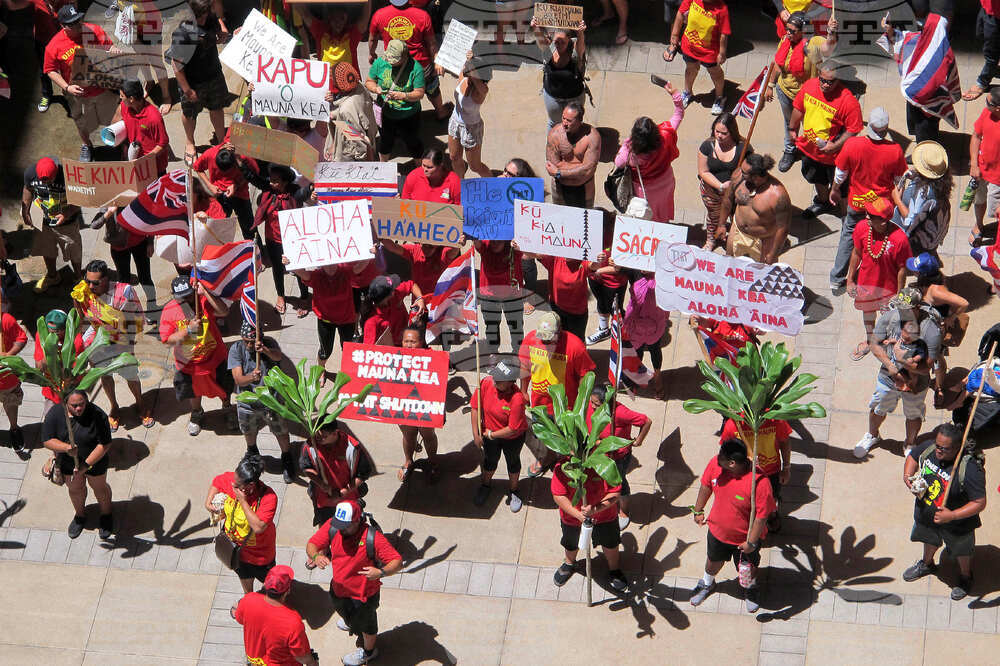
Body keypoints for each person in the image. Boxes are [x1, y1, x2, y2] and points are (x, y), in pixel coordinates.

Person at [306, 500, 403, 666]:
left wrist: (380, 572)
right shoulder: (333, 526)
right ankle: (350, 620)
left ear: (357, 520)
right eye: (339, 524)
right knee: (343, 611)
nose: (341, 529)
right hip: (338, 589)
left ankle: (369, 652)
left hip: (363, 596)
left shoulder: (373, 538)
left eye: (345, 526)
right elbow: (312, 544)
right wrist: (316, 556)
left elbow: (397, 561)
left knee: (368, 626)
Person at [688, 438, 775, 613]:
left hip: (745, 540)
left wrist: (751, 543)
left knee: (748, 569)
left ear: (733, 463)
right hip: (717, 533)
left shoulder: (760, 483)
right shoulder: (715, 464)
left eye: (722, 458)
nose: (717, 458)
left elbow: (761, 517)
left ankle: (750, 588)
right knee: (712, 561)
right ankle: (707, 583)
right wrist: (698, 510)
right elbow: (706, 486)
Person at [902, 423, 986, 601]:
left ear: (957, 448)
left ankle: (965, 576)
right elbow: (913, 456)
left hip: (958, 525)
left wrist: (952, 515)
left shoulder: (970, 469)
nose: (938, 451)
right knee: (928, 540)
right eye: (937, 445)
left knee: (961, 551)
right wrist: (908, 476)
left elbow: (979, 502)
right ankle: (927, 564)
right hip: (926, 515)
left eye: (944, 449)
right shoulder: (930, 448)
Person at [828, 107, 908, 292]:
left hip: (857, 202)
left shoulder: (852, 144)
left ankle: (837, 277)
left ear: (869, 127)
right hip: (881, 207)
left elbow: (840, 174)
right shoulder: (895, 150)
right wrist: (898, 201)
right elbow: (899, 181)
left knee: (849, 235)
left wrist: (834, 190)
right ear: (886, 130)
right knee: (879, 238)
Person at [855, 288, 941, 459]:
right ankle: (872, 435)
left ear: (917, 308)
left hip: (916, 383)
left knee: (914, 414)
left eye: (905, 309)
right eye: (899, 307)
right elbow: (874, 344)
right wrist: (891, 366)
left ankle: (910, 443)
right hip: (888, 377)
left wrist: (903, 362)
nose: (901, 312)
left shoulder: (930, 330)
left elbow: (926, 367)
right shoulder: (890, 317)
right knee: (878, 408)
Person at [72, 259, 151, 430]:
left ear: (106, 279)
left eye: (95, 283)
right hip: (98, 341)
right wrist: (77, 303)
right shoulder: (84, 291)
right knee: (105, 376)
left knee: (131, 375)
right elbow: (81, 317)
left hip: (121, 341)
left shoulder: (125, 292)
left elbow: (136, 320)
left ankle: (140, 403)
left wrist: (128, 344)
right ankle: (114, 407)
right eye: (88, 281)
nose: (91, 286)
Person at [518, 311, 595, 476]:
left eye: (549, 338)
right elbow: (525, 366)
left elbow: (585, 375)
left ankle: (568, 461)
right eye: (542, 338)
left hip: (565, 407)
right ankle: (548, 457)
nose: (545, 342)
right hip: (540, 404)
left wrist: (582, 404)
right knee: (545, 436)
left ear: (559, 331)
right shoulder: (531, 340)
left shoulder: (575, 346)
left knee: (568, 439)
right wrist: (523, 391)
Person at [160, 276, 236, 436]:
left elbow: (224, 311)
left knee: (225, 387)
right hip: (189, 365)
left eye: (189, 295)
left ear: (194, 290)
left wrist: (205, 292)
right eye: (181, 297)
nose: (186, 300)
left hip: (215, 358)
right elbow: (167, 340)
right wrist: (188, 330)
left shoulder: (203, 301)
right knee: (193, 392)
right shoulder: (169, 310)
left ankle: (227, 408)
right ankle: (197, 413)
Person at [788, 60, 863, 219]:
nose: (825, 85)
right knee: (817, 179)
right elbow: (799, 107)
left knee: (842, 189)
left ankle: (846, 216)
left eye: (830, 82)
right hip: (810, 149)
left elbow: (853, 129)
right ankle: (823, 202)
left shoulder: (848, 101)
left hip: (835, 157)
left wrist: (835, 146)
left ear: (838, 79)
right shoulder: (809, 86)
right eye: (822, 80)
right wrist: (792, 128)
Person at [42, 5, 118, 161]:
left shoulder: (94, 30)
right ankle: (87, 145)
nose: (78, 25)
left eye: (78, 20)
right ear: (63, 26)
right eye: (73, 24)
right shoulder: (54, 46)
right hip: (76, 93)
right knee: (80, 121)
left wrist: (113, 50)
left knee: (113, 116)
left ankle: (118, 142)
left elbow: (109, 46)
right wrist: (67, 87)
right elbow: (50, 70)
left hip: (101, 86)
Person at [765, 12, 838, 173]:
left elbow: (828, 49)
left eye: (792, 31)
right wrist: (770, 85)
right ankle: (790, 150)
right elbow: (777, 64)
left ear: (803, 31)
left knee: (811, 127)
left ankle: (810, 154)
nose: (788, 33)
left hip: (807, 98)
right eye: (787, 29)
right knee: (789, 124)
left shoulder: (813, 43)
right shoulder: (785, 40)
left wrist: (831, 32)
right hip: (785, 92)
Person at [42, 389, 114, 540]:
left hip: (94, 462)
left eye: (82, 404)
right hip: (68, 463)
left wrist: (85, 465)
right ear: (66, 403)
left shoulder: (97, 414)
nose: (79, 408)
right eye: (74, 406)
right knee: (75, 490)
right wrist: (66, 448)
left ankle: (106, 515)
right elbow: (47, 440)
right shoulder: (55, 414)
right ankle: (80, 516)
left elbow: (104, 444)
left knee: (100, 488)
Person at [846, 197, 912, 360]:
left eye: (871, 215)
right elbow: (856, 253)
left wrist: (899, 293)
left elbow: (902, 269)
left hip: (888, 290)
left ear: (883, 221)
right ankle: (870, 340)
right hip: (865, 285)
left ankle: (888, 344)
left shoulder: (900, 239)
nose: (866, 216)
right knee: (868, 315)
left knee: (889, 320)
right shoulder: (862, 227)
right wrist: (850, 280)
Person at [550, 458, 628, 592]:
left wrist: (596, 509)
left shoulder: (605, 464)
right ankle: (569, 563)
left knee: (611, 544)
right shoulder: (562, 467)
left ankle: (614, 569)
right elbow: (558, 496)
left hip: (605, 517)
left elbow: (615, 492)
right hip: (572, 518)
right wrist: (579, 515)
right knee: (571, 542)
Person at [229, 321, 294, 482]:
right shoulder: (236, 349)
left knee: (280, 430)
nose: (249, 345)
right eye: (246, 341)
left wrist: (264, 350)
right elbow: (238, 379)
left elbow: (278, 356)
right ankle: (252, 451)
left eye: (252, 341)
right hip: (247, 401)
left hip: (271, 400)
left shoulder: (269, 343)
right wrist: (251, 377)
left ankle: (286, 457)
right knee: (248, 430)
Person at [243, 163, 309, 316]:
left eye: (275, 181)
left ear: (285, 182)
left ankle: (305, 296)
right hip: (272, 238)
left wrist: (312, 190)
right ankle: (281, 296)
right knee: (277, 268)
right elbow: (253, 178)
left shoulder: (295, 192)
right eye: (270, 180)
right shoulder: (268, 191)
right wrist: (241, 164)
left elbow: (305, 192)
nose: (271, 183)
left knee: (298, 267)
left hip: (292, 239)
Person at [206, 454, 278, 593]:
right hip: (237, 552)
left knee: (272, 588)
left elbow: (258, 527)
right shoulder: (234, 481)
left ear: (250, 485)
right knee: (245, 581)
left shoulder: (268, 498)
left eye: (237, 485)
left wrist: (242, 500)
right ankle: (248, 598)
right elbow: (217, 481)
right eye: (234, 480)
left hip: (260, 556)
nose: (233, 484)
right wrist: (208, 502)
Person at [614, 82, 685, 223]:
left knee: (646, 213)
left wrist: (628, 142)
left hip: (643, 188)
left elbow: (618, 163)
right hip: (665, 181)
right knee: (662, 208)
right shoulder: (666, 135)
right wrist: (675, 95)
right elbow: (679, 114)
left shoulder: (629, 151)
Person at [167, 0, 229, 160]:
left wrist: (222, 32)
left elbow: (218, 24)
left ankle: (221, 141)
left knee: (217, 108)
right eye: (199, 17)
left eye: (205, 15)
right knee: (189, 114)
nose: (203, 20)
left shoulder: (210, 18)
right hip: (192, 81)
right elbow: (176, 65)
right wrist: (187, 90)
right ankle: (190, 142)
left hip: (214, 74)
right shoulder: (182, 34)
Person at [368, 0, 450, 122]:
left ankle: (398, 116)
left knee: (398, 89)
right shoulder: (422, 15)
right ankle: (440, 111)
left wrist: (372, 53)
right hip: (421, 64)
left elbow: (372, 39)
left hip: (394, 63)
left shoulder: (379, 15)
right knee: (432, 86)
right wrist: (436, 60)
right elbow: (431, 43)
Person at [290, 261, 371, 381]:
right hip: (325, 321)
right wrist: (290, 262)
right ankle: (321, 369)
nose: (331, 267)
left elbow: (360, 267)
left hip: (346, 320)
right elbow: (301, 272)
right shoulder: (317, 276)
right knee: (325, 351)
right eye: (327, 265)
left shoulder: (345, 272)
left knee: (348, 348)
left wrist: (370, 255)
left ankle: (348, 370)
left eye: (333, 264)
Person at [588, 382, 651, 529]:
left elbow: (646, 421)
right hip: (598, 455)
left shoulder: (620, 412)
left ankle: (623, 511)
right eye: (591, 402)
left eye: (597, 404)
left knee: (619, 484)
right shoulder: (591, 408)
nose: (592, 406)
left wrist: (639, 440)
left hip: (618, 458)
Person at [233, 565, 317, 666]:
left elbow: (238, 617)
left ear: (265, 585)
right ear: (288, 591)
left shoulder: (248, 600)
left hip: (256, 661)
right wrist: (313, 663)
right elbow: (302, 657)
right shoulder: (293, 622)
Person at [471, 359, 528, 510]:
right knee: (490, 461)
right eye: (495, 376)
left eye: (499, 379)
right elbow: (475, 408)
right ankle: (485, 485)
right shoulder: (486, 383)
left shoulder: (517, 399)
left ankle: (514, 490)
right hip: (489, 435)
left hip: (512, 438)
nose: (495, 380)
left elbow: (512, 428)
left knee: (513, 462)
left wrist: (491, 435)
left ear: (510, 382)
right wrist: (476, 435)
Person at [720, 415, 792, 532]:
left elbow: (785, 442)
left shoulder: (775, 418)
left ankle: (771, 515)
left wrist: (786, 468)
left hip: (771, 472)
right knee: (746, 501)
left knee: (770, 499)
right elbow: (725, 451)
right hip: (744, 474)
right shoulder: (734, 423)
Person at [21, 156, 82, 293]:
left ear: (56, 173)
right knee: (46, 249)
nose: (46, 183)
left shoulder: (69, 176)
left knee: (73, 250)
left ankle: (78, 277)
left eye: (49, 180)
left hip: (67, 223)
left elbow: (82, 199)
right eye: (42, 181)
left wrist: (67, 213)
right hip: (43, 220)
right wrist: (26, 211)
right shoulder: (30, 173)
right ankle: (53, 277)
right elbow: (28, 189)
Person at [299, 421, 374, 526]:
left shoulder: (352, 447)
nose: (318, 439)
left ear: (335, 433)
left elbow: (363, 473)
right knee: (326, 526)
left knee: (350, 527)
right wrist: (321, 484)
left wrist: (344, 492)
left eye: (324, 436)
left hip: (348, 498)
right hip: (323, 499)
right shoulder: (311, 445)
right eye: (317, 435)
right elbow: (306, 468)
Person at [720, 154, 791, 264]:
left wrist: (773, 254)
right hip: (737, 231)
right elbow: (727, 200)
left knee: (760, 272)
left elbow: (783, 228)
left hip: (763, 240)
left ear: (756, 177)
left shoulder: (778, 195)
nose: (740, 173)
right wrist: (721, 225)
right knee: (730, 264)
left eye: (744, 173)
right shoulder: (737, 176)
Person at [662, 0, 730, 114]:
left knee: (715, 72)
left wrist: (722, 53)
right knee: (690, 69)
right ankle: (687, 92)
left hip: (710, 51)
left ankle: (719, 97)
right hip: (690, 46)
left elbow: (724, 33)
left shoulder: (721, 9)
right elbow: (680, 14)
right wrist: (675, 35)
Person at [365, 39, 426, 161]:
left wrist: (404, 96)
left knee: (412, 142)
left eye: (394, 60)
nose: (390, 62)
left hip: (409, 114)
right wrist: (375, 89)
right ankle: (383, 168)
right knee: (385, 142)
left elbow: (420, 93)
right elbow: (369, 81)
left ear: (404, 56)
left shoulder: (416, 68)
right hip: (386, 113)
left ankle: (420, 167)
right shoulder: (380, 63)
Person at [393, 327, 440, 483]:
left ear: (421, 342)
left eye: (413, 341)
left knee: (428, 435)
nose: (408, 345)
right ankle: (408, 461)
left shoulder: (433, 357)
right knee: (408, 435)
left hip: (425, 406)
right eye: (406, 341)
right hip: (403, 405)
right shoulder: (394, 357)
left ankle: (432, 462)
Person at [698, 112, 750, 249]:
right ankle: (711, 240)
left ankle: (734, 242)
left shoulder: (743, 148)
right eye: (717, 131)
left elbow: (749, 171)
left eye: (724, 133)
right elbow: (703, 171)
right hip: (711, 193)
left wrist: (736, 183)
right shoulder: (706, 146)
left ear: (732, 132)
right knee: (713, 217)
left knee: (736, 219)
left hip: (734, 195)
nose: (719, 136)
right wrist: (721, 185)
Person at [892, 141, 953, 256]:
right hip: (934, 234)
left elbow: (910, 221)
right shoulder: (941, 182)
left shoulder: (923, 193)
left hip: (920, 242)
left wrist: (897, 200)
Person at [532, 18, 587, 130]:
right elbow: (540, 40)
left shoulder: (575, 52)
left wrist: (580, 32)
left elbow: (580, 46)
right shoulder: (549, 50)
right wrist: (535, 28)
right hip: (552, 97)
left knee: (574, 125)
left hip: (574, 97)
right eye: (556, 42)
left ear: (569, 40)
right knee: (554, 124)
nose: (559, 45)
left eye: (563, 42)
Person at [194, 142, 257, 241]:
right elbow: (198, 168)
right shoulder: (210, 154)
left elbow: (252, 174)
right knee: (218, 226)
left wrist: (236, 185)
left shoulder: (243, 158)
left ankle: (253, 247)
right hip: (219, 195)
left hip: (240, 195)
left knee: (249, 228)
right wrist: (210, 186)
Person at [546, 101, 601, 208]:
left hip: (584, 188)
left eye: (569, 120)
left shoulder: (592, 137)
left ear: (580, 121)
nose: (564, 123)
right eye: (563, 118)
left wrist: (559, 172)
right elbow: (551, 167)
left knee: (585, 217)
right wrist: (578, 168)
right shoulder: (555, 134)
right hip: (560, 187)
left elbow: (588, 170)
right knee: (558, 215)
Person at [475, 238, 525, 355]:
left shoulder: (514, 247)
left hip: (512, 295)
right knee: (491, 327)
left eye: (499, 241)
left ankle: (518, 353)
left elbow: (527, 250)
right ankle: (493, 352)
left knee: (516, 326)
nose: (495, 244)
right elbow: (476, 241)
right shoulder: (485, 245)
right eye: (493, 241)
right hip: (489, 295)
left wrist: (520, 244)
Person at [624, 269, 667, 398]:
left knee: (655, 349)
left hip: (655, 323)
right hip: (635, 323)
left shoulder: (663, 273)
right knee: (637, 351)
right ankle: (638, 375)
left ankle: (657, 377)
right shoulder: (633, 271)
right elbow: (617, 270)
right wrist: (600, 269)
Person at [447, 55, 492, 179]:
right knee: (454, 157)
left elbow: (475, 77)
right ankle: (460, 183)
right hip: (455, 122)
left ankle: (492, 182)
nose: (465, 68)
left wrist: (471, 66)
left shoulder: (481, 90)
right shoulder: (464, 76)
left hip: (471, 128)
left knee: (475, 166)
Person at [33, 309, 85, 417]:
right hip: (52, 391)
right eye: (50, 331)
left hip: (72, 390)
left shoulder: (75, 340)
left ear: (65, 329)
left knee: (76, 419)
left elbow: (75, 372)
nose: (52, 334)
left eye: (57, 332)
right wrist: (50, 352)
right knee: (50, 419)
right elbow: (39, 368)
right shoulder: (42, 336)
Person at [114, 79, 169, 175]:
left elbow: (162, 144)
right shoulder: (123, 107)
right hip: (134, 165)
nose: (120, 98)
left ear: (131, 99)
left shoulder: (154, 117)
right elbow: (113, 125)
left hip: (154, 168)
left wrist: (145, 160)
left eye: (122, 96)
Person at [327, 62, 378, 161]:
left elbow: (359, 142)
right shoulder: (359, 86)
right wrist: (334, 112)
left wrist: (362, 161)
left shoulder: (346, 110)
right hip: (369, 135)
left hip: (351, 155)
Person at [969, 88, 1000, 246]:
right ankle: (979, 224)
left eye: (988, 102)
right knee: (979, 200)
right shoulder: (986, 113)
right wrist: (974, 164)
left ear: (998, 108)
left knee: (996, 210)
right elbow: (976, 136)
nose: (985, 104)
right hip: (981, 171)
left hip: (998, 178)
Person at [361, 274, 424, 346]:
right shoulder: (371, 321)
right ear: (386, 296)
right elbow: (368, 348)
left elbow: (411, 285)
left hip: (405, 341)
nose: (395, 288)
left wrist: (420, 298)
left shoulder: (396, 294)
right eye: (392, 289)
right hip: (389, 349)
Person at [0, 292, 27, 452]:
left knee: (11, 403)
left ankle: (14, 428)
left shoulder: (6, 320)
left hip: (6, 377)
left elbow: (21, 339)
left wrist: (9, 355)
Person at [310, 3, 369, 69]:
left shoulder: (352, 34)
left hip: (350, 75)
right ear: (330, 18)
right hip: (326, 75)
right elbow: (304, 14)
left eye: (342, 18)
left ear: (346, 19)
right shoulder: (320, 31)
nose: (338, 23)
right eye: (334, 19)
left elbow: (365, 18)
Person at [963, 0, 1000, 101]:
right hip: (987, 7)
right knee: (980, 34)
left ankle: (982, 82)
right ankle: (995, 67)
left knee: (991, 54)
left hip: (996, 13)